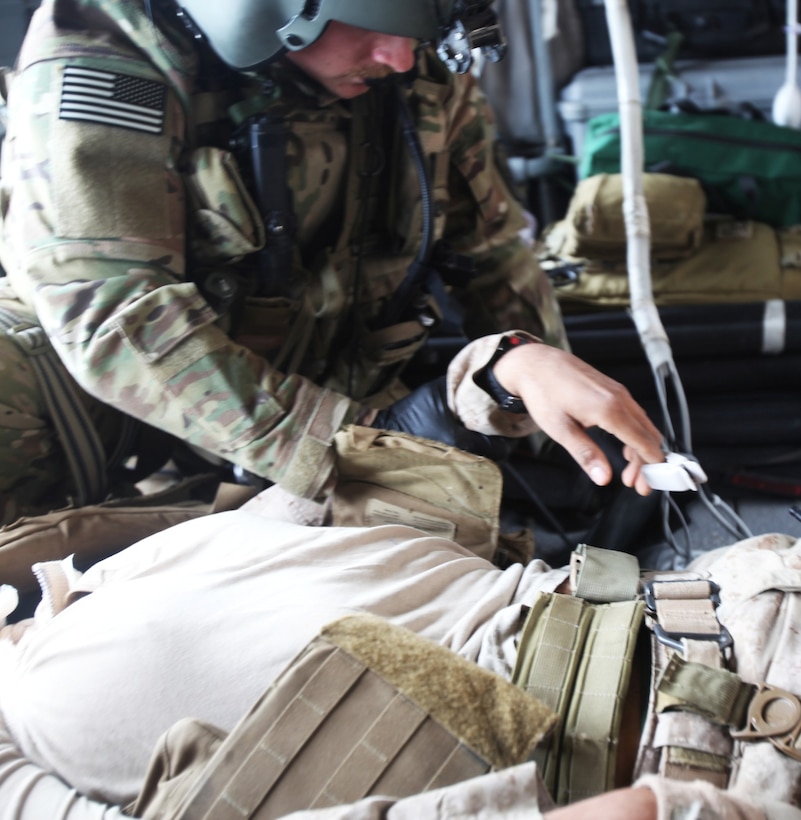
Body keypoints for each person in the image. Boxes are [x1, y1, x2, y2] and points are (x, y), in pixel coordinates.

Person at [0, 0, 665, 528]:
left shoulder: (407, 68)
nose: (401, 57)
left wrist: (558, 427)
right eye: (379, 24)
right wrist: (349, 447)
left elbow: (493, 254)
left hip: (338, 398)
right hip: (134, 424)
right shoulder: (105, 55)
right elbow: (114, 309)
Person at [0, 504, 799, 819]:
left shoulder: (92, 555)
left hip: (742, 593)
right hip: (715, 776)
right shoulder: (21, 750)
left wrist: (494, 368)